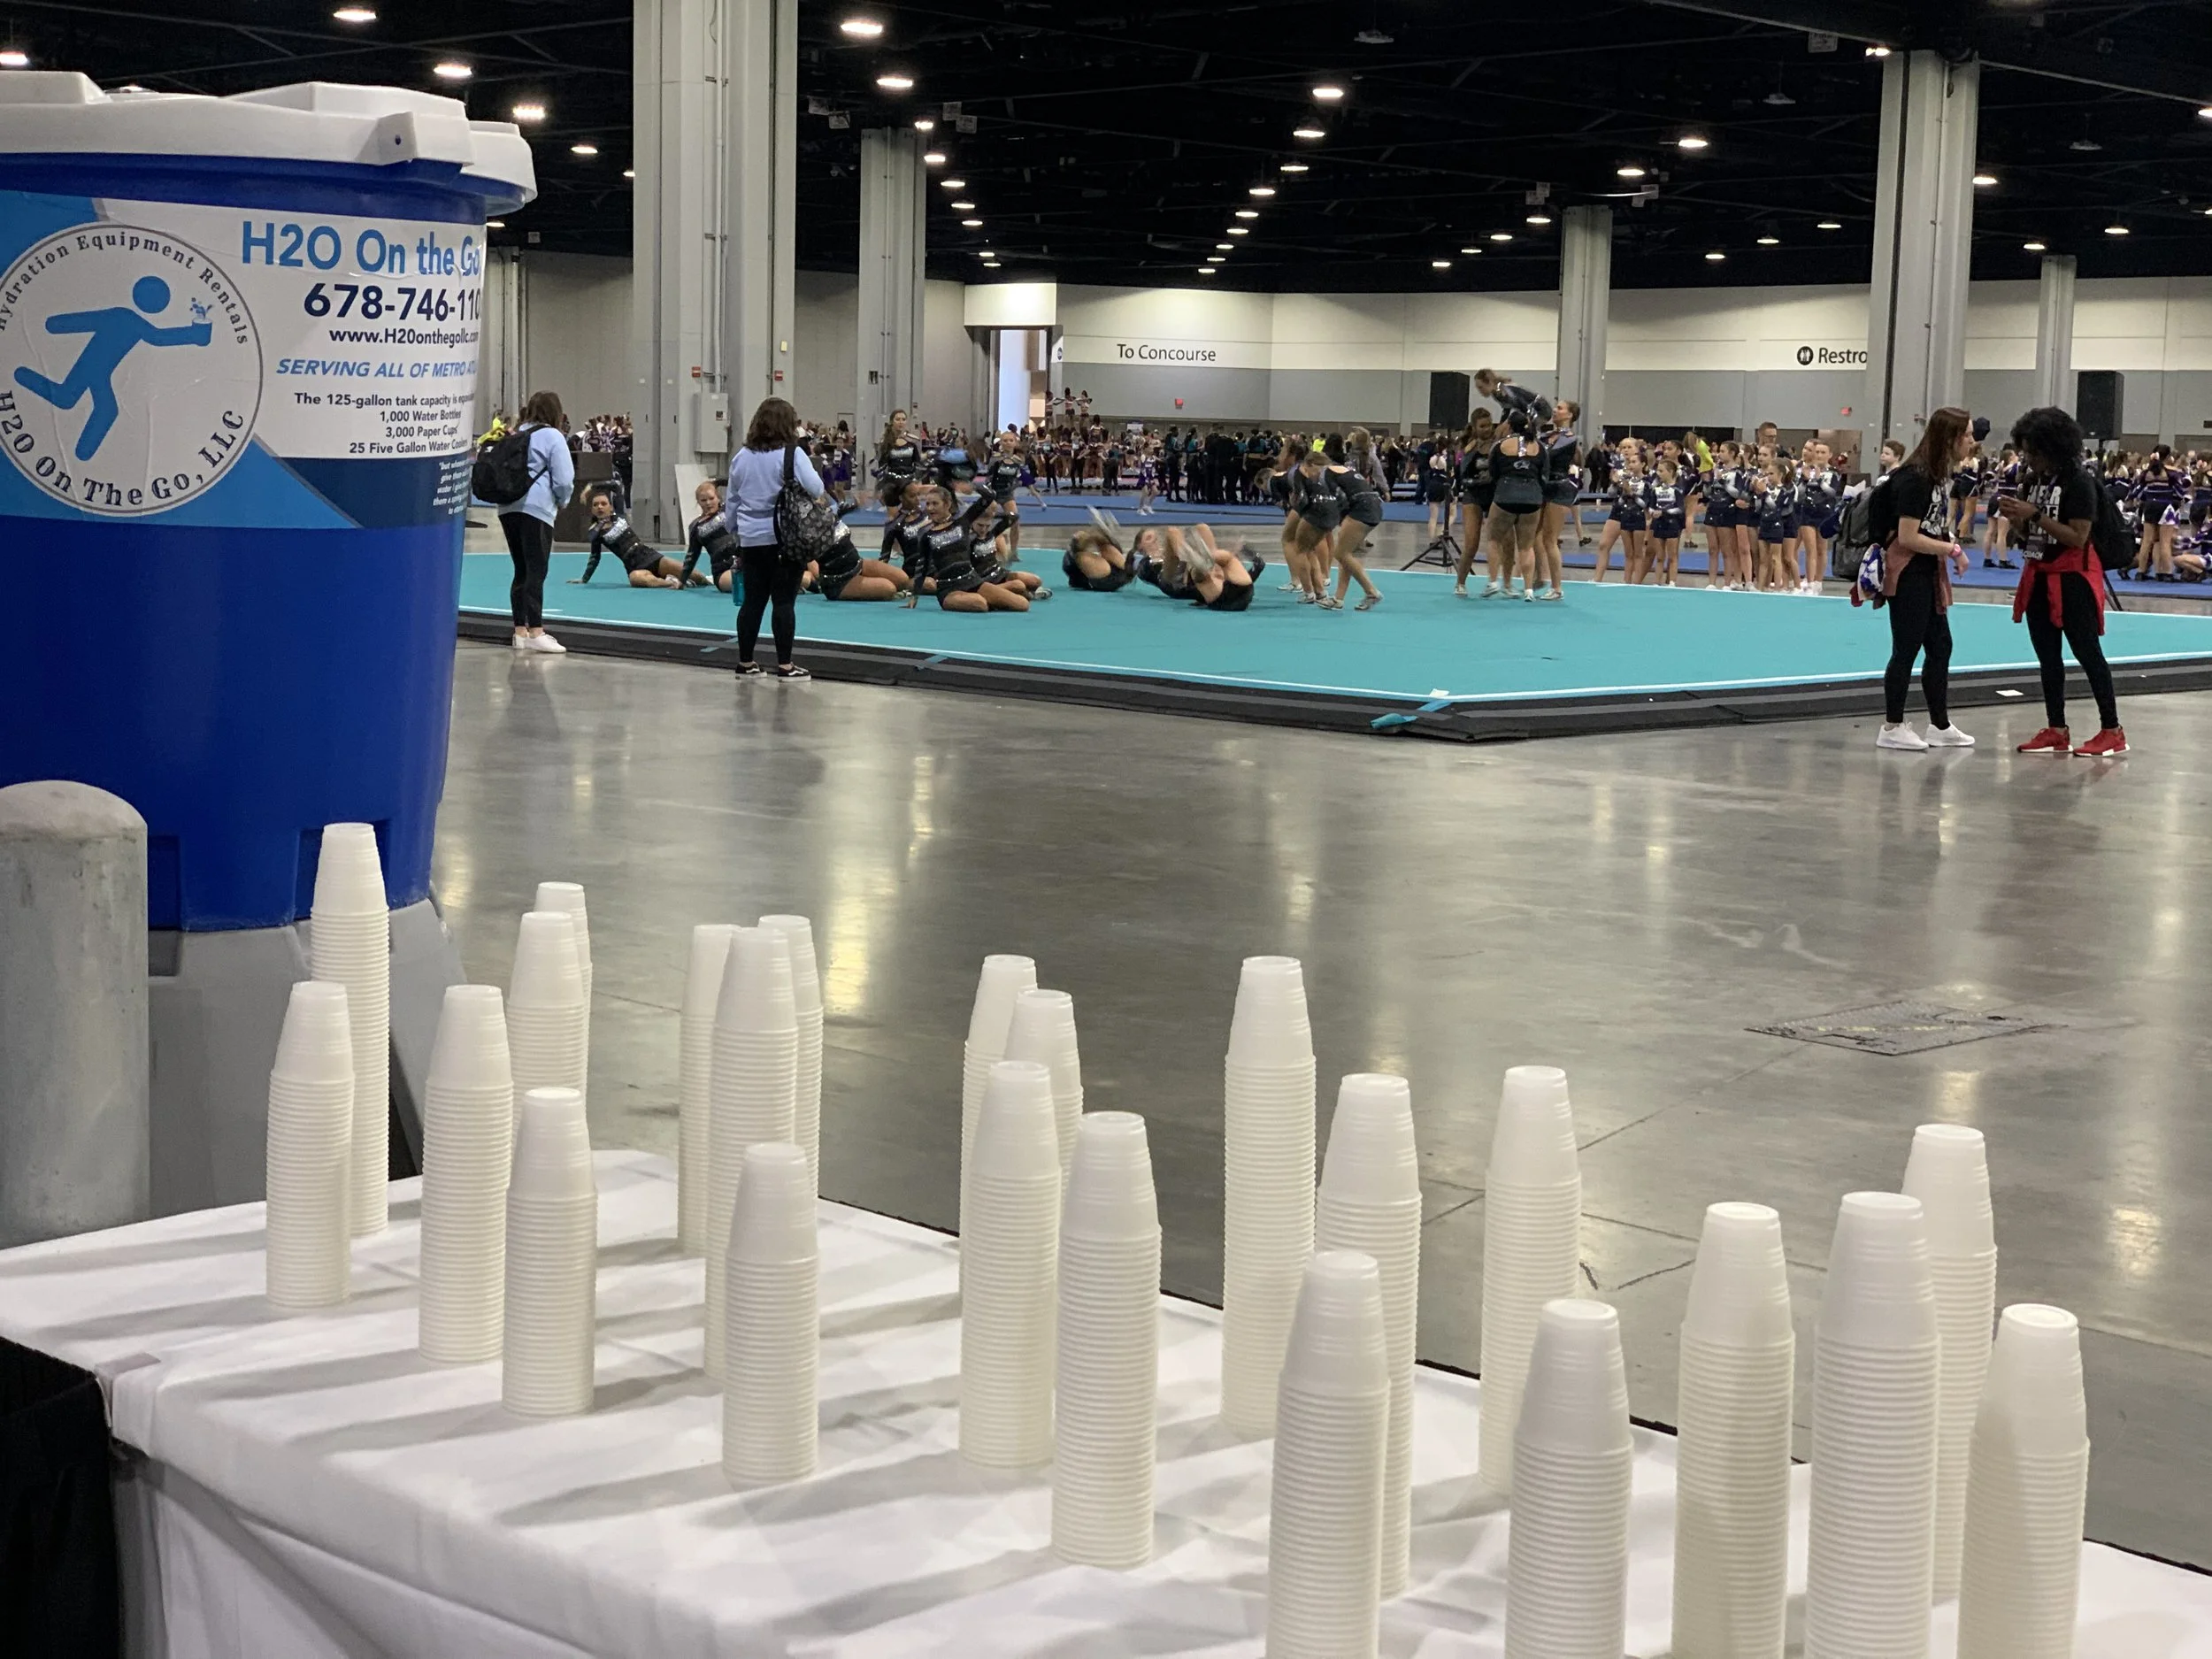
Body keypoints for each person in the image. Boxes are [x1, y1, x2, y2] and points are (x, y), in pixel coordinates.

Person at [1995, 406, 2127, 757]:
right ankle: (2057, 727)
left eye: (2033, 452)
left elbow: (2078, 537)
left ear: (2052, 448)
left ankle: (2112, 729)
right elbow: (2029, 533)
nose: (2028, 458)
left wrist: (2033, 514)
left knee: (2087, 653)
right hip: (2038, 571)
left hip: (2073, 577)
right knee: (2047, 656)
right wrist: (2019, 519)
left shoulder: (2080, 483)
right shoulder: (2034, 480)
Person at [1869, 405, 1976, 751]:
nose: (1972, 443)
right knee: (1906, 649)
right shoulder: (1916, 478)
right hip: (1908, 572)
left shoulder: (1938, 476)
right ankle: (1892, 725)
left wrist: (1950, 546)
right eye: (1969, 435)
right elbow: (1908, 536)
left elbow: (1933, 527)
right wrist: (1952, 552)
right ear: (1952, 438)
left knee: (1940, 646)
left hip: (1927, 571)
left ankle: (1940, 725)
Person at [723, 396, 823, 679]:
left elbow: (732, 500)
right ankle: (785, 665)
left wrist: (735, 531)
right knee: (783, 602)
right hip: (786, 539)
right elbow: (816, 488)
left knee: (752, 601)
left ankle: (746, 662)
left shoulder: (741, 457)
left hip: (752, 540)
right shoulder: (792, 455)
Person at [499, 389, 576, 654]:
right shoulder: (553, 436)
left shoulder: (516, 434)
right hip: (537, 508)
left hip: (508, 508)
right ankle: (537, 631)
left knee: (520, 569)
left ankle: (520, 631)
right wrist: (563, 500)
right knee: (536, 570)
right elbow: (564, 478)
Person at [1326, 426, 1388, 611]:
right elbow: (1378, 474)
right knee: (1348, 554)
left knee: (1341, 553)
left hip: (1358, 502)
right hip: (1364, 495)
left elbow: (1342, 487)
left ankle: (1371, 591)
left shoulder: (1347, 461)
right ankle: (1338, 598)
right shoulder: (1367, 457)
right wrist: (1385, 489)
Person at [575, 488, 685, 588]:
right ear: (592, 510)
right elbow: (595, 557)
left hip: (649, 555)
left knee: (697, 578)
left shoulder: (619, 516)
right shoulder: (595, 531)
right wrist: (584, 579)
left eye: (604, 504)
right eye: (595, 505)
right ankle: (671, 582)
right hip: (633, 565)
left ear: (611, 507)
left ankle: (683, 578)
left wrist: (591, 486)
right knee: (636, 579)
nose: (600, 507)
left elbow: (616, 486)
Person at [680, 480, 740, 591]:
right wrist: (682, 581)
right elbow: (691, 557)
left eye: (711, 498)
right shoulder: (695, 527)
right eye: (703, 500)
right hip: (723, 572)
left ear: (718, 498)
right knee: (742, 581)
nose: (708, 503)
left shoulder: (729, 510)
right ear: (698, 502)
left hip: (743, 561)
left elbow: (738, 487)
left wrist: (721, 481)